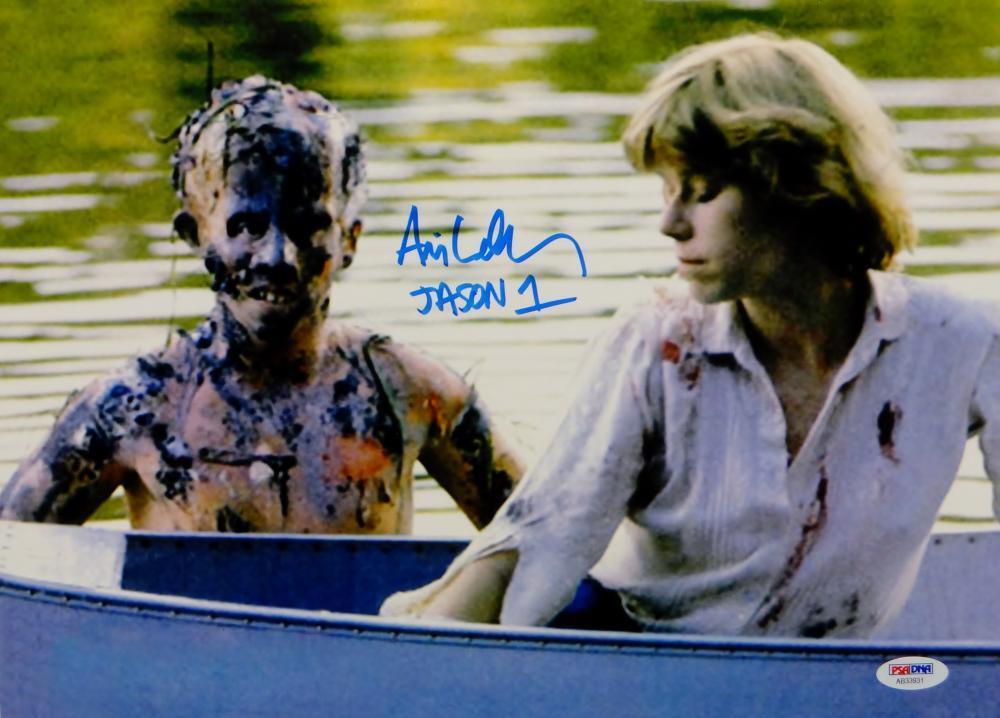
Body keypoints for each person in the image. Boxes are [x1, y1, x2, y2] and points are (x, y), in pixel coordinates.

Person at [379, 33, 1000, 638]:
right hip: (646, 666)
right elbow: (541, 533)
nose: (670, 223)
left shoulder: (964, 343)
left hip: (829, 683)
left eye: (701, 191)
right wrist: (423, 659)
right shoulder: (655, 340)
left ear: (799, 186)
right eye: (667, 190)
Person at [0, 76, 522, 533]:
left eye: (307, 225)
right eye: (247, 226)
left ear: (349, 239)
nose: (277, 257)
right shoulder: (136, 411)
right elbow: (10, 558)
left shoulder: (407, 396)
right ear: (196, 233)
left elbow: (545, 541)